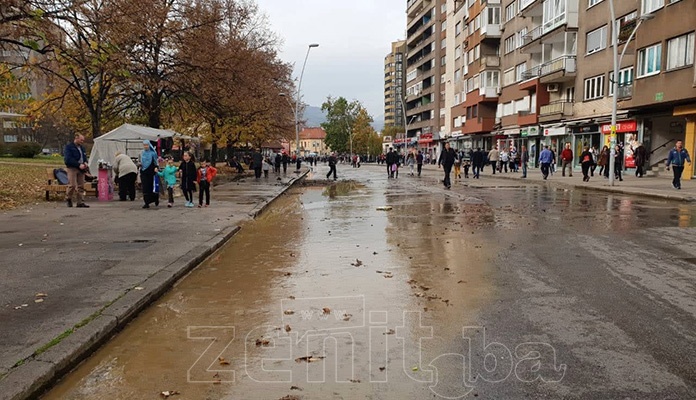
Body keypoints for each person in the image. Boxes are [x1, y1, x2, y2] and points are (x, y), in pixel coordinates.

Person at [63, 134, 90, 208]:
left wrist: (85, 162)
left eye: (83, 140)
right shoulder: (69, 147)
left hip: (81, 169)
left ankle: (80, 202)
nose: (82, 141)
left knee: (81, 185)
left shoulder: (82, 148)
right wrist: (78, 164)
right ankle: (68, 198)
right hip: (72, 168)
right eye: (81, 140)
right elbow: (68, 159)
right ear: (76, 138)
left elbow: (84, 157)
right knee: (72, 185)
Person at [139, 140, 159, 209]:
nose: (145, 146)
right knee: (145, 187)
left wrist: (156, 168)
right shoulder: (142, 153)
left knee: (150, 187)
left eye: (147, 145)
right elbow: (140, 161)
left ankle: (155, 198)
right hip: (143, 172)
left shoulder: (153, 153)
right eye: (144, 145)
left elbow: (156, 162)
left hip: (151, 172)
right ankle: (146, 202)